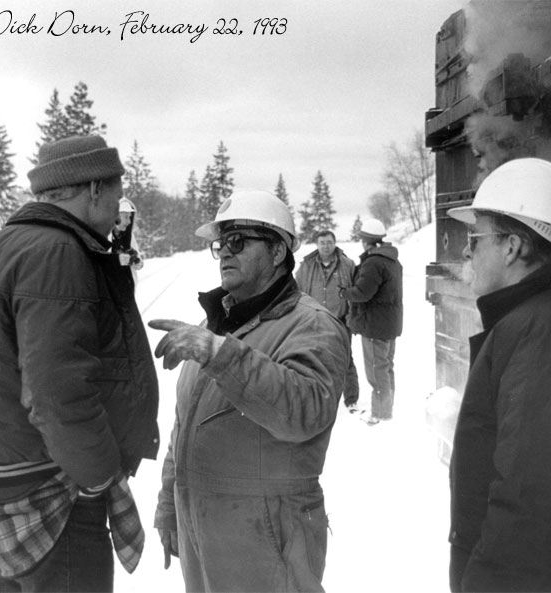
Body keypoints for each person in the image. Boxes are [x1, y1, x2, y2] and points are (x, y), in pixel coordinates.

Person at [0, 135, 159, 592]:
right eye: (118, 194)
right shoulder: (58, 254)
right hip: (50, 495)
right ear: (95, 189)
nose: (119, 209)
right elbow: (58, 391)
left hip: (2, 486)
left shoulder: (5, 246)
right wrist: (98, 475)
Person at [149, 190, 350, 592]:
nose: (225, 251)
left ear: (277, 251)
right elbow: (184, 423)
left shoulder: (312, 325)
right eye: (221, 243)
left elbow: (305, 410)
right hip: (204, 531)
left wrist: (220, 354)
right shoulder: (214, 326)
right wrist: (169, 504)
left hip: (268, 539)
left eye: (239, 241)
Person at [446, 157, 551, 592]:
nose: (466, 252)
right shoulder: (539, 321)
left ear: (512, 247)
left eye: (475, 239)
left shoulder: (547, 334)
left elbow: (531, 503)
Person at [338, 219, 403, 426]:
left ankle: (380, 414)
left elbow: (363, 293)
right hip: (389, 324)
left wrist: (344, 292)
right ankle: (386, 410)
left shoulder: (373, 262)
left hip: (375, 325)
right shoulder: (392, 260)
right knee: (386, 368)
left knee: (376, 371)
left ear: (365, 241)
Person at [295, 229, 360, 412]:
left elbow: (356, 293)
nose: (326, 246)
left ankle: (351, 399)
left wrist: (352, 318)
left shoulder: (347, 264)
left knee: (345, 360)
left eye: (329, 242)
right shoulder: (306, 266)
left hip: (340, 321)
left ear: (335, 243)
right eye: (322, 243)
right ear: (317, 244)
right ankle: (313, 398)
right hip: (314, 321)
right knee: (311, 359)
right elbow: (296, 292)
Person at [111, 196, 144, 271]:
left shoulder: (129, 236)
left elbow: (138, 259)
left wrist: (138, 263)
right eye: (126, 217)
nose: (129, 221)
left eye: (130, 217)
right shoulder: (104, 236)